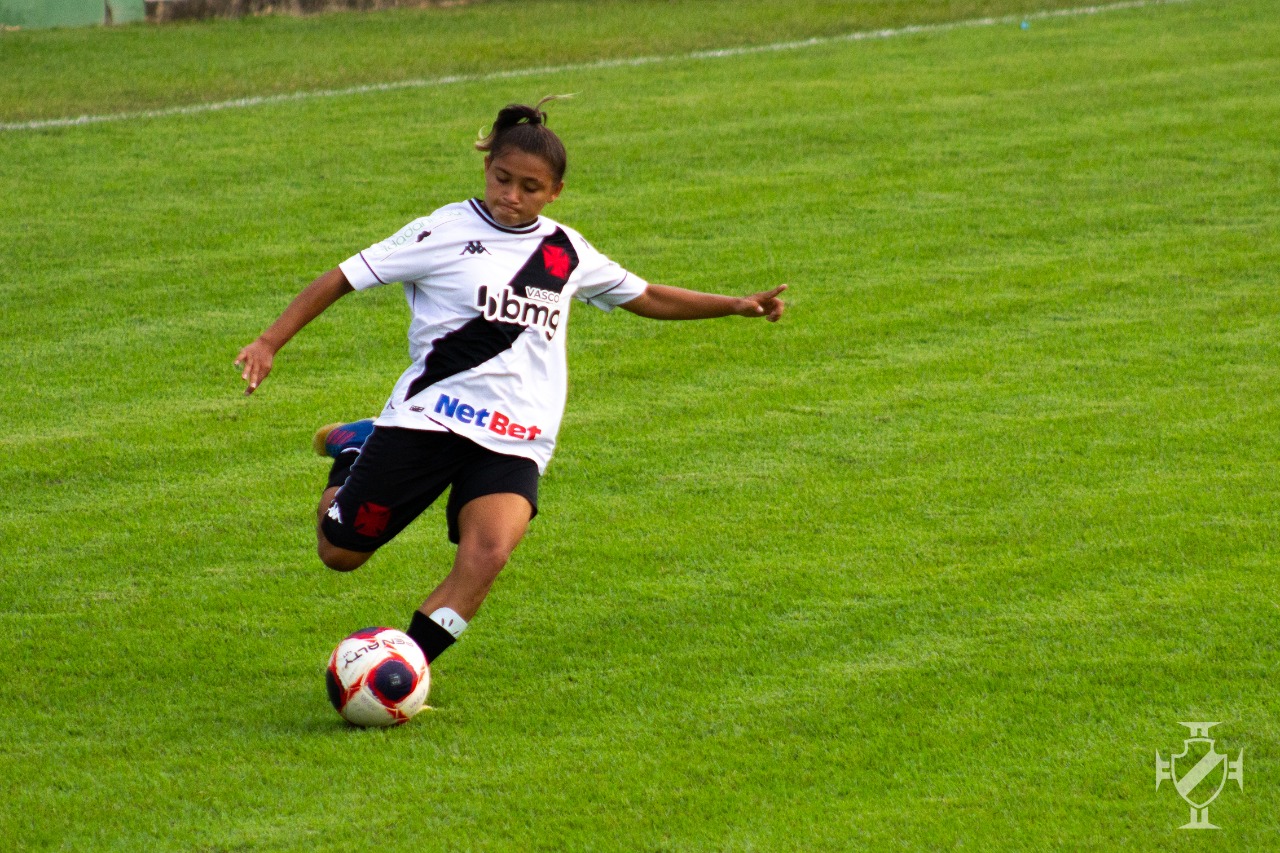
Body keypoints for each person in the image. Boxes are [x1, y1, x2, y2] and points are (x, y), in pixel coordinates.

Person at [235, 97, 786, 667]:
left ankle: (403, 669)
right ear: (486, 169)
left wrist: (735, 305)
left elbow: (644, 295)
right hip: (431, 419)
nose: (511, 196)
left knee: (488, 554)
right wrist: (269, 342)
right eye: (502, 179)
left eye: (529, 187)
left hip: (517, 435)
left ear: (555, 193)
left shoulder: (564, 252)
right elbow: (344, 277)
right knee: (340, 553)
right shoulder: (443, 230)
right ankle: (358, 446)